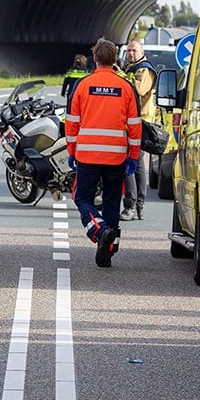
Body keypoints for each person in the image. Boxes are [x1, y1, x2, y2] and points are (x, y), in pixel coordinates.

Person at [64, 39, 142, 267]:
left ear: (95, 59)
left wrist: (72, 150)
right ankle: (108, 250)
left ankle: (99, 231)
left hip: (87, 155)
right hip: (117, 156)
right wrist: (133, 156)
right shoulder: (126, 87)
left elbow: (72, 123)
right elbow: (135, 125)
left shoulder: (83, 85)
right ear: (116, 59)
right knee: (111, 201)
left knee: (82, 198)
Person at [120, 41, 159, 220]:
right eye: (128, 50)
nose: (131, 53)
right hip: (133, 121)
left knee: (130, 163)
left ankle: (131, 206)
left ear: (142, 51)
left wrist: (120, 76)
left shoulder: (144, 70)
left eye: (134, 50)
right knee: (137, 165)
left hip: (140, 122)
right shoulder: (133, 68)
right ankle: (137, 206)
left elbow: (137, 91)